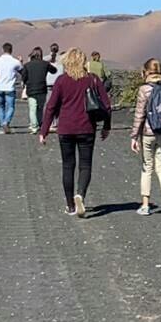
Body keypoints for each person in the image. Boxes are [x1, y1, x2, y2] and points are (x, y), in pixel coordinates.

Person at [40, 47, 111, 217]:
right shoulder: (92, 79)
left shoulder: (62, 81)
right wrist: (107, 126)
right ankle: (80, 195)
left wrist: (44, 131)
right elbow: (106, 105)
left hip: (65, 129)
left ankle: (70, 205)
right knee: (85, 165)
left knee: (67, 165)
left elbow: (51, 107)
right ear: (83, 61)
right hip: (87, 128)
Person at [129, 56, 161, 217]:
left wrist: (134, 136)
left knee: (147, 168)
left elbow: (139, 115)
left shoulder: (144, 89)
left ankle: (145, 205)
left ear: (145, 71)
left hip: (149, 133)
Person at [0, 41, 23, 134]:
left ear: (3, 50)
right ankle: (6, 122)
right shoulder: (15, 62)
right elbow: (22, 71)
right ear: (11, 50)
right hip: (10, 88)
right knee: (11, 107)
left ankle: (3, 123)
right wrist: (21, 61)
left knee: (1, 106)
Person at [21, 46, 54, 136]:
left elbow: (23, 77)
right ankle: (40, 124)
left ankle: (34, 127)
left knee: (32, 108)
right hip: (42, 89)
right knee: (40, 108)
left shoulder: (27, 65)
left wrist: (26, 83)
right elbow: (54, 71)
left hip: (31, 89)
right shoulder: (45, 64)